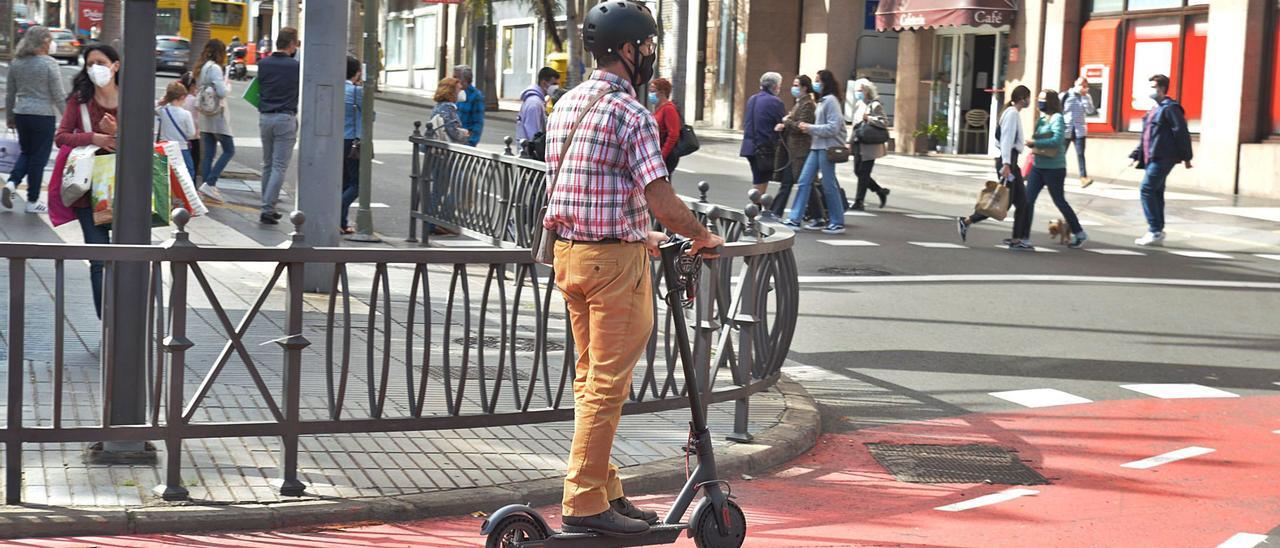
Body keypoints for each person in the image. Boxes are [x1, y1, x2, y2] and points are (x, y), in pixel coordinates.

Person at [543, 0, 723, 536]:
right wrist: (701, 234)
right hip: (614, 266)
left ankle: (605, 490)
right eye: (645, 47)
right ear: (627, 50)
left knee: (589, 380)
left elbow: (583, 184)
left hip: (570, 257)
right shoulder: (630, 113)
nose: (648, 55)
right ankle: (583, 503)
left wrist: (639, 228)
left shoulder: (569, 103)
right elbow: (660, 195)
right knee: (605, 387)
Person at [51, 44, 119, 318]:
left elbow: (146, 141)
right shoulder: (80, 100)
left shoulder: (133, 97)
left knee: (131, 257)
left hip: (125, 189)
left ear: (116, 65)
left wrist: (118, 131)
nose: (94, 69)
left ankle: (128, 316)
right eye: (89, 64)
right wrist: (94, 138)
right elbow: (61, 136)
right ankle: (108, 321)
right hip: (89, 191)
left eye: (101, 62)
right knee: (99, 260)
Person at [958, 85, 1031, 245]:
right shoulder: (1012, 114)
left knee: (1022, 202)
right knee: (1001, 202)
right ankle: (967, 221)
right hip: (1008, 161)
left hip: (1011, 162)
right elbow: (1006, 140)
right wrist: (1006, 164)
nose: (1029, 101)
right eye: (1028, 98)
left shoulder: (1011, 113)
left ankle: (1016, 238)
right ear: (1022, 98)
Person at [4, 26, 66, 213]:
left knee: (27, 152)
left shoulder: (17, 63)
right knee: (39, 158)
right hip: (43, 116)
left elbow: (10, 94)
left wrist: (10, 117)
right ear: (44, 42)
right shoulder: (49, 64)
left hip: (22, 114)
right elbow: (58, 95)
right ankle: (32, 201)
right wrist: (68, 119)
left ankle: (12, 182)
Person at [1130, 74, 1193, 247]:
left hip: (1164, 156)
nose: (1150, 91)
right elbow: (1147, 135)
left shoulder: (1170, 108)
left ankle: (1155, 230)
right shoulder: (1154, 109)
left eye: (1153, 87)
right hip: (1152, 156)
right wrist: (1137, 154)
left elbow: (1181, 132)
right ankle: (1157, 230)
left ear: (1162, 88)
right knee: (1156, 191)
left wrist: (1187, 157)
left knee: (1146, 189)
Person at [783, 69, 847, 234]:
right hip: (817, 146)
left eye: (818, 80)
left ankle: (837, 221)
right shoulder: (823, 101)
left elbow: (834, 127)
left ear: (825, 82)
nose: (816, 84)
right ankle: (795, 218)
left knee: (828, 184)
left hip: (826, 147)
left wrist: (810, 128)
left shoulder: (831, 101)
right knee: (804, 181)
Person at [1021, 89, 1086, 250]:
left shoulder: (1058, 118)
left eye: (1042, 99)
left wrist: (1035, 144)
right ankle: (1024, 237)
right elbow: (1038, 137)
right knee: (1028, 201)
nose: (1039, 102)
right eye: (1038, 99)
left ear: (1050, 102)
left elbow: (1057, 141)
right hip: (1038, 166)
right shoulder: (1042, 118)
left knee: (1059, 201)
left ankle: (1079, 233)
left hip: (1054, 168)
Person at [256, 27, 301, 225]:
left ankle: (268, 205)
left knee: (267, 164)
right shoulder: (296, 66)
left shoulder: (263, 63)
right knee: (279, 166)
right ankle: (267, 208)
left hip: (265, 118)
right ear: (291, 44)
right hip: (284, 118)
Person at [770, 75, 820, 223]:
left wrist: (787, 121)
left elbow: (802, 126)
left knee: (805, 183)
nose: (794, 87)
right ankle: (775, 212)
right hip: (792, 150)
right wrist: (784, 125)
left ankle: (817, 215)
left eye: (796, 85)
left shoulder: (808, 105)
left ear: (804, 87)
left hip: (800, 150)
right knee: (787, 182)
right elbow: (794, 123)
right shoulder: (799, 103)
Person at [195, 38, 233, 205]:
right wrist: (228, 87)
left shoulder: (202, 68)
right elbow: (222, 92)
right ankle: (210, 183)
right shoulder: (216, 68)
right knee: (229, 150)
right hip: (217, 115)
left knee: (208, 154)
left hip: (205, 115)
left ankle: (205, 188)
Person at [740, 71, 786, 197]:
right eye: (779, 85)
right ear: (775, 86)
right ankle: (755, 210)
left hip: (749, 146)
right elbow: (782, 122)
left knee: (759, 179)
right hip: (764, 148)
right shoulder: (775, 102)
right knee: (761, 181)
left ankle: (756, 208)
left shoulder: (752, 99)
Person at [848, 78, 889, 211]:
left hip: (870, 145)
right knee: (857, 171)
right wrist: (849, 141)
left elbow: (884, 122)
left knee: (864, 172)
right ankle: (879, 190)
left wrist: (869, 118)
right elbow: (855, 125)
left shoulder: (875, 105)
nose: (858, 93)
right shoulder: (859, 104)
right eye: (856, 91)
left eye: (860, 90)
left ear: (866, 91)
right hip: (858, 143)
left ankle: (859, 201)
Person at [156, 81, 197, 181]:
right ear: (183, 97)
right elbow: (191, 133)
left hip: (165, 147)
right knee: (188, 172)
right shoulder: (186, 114)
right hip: (181, 148)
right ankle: (182, 194)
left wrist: (162, 102)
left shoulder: (163, 111)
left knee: (164, 174)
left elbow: (153, 108)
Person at [341, 56, 364, 235]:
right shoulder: (356, 92)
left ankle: (341, 223)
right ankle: (337, 214)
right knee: (357, 183)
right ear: (357, 73)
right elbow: (370, 116)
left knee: (343, 182)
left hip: (337, 141)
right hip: (353, 141)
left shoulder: (336, 88)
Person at [1062, 77, 1094, 187]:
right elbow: (1058, 109)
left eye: (1084, 85)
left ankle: (1083, 177)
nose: (1081, 87)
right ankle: (1056, 175)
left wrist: (1084, 97)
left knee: (1080, 154)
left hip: (1079, 130)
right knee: (1062, 153)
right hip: (1067, 129)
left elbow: (1090, 111)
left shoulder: (1086, 97)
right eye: (1080, 84)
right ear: (1075, 83)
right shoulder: (1065, 95)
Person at [516, 66, 560, 146]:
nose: (556, 87)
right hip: (529, 153)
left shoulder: (537, 101)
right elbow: (532, 133)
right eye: (554, 84)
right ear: (544, 83)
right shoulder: (534, 104)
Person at [649, 77, 681, 173]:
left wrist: (662, 155)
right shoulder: (659, 108)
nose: (650, 94)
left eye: (653, 91)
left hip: (666, 156)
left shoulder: (669, 109)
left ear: (662, 92)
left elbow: (673, 134)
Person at [429, 77, 470, 144]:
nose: (461, 92)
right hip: (444, 148)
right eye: (459, 89)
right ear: (451, 91)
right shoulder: (447, 107)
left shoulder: (440, 105)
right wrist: (463, 134)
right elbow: (450, 129)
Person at [453, 65, 485, 146]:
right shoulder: (453, 92)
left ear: (465, 80)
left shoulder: (475, 96)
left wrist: (471, 142)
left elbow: (478, 122)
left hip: (465, 140)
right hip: (452, 138)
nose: (453, 80)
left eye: (456, 77)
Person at [178, 71, 201, 180]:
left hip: (180, 137)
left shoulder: (181, 99)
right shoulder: (194, 100)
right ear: (192, 86)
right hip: (193, 138)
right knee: (192, 166)